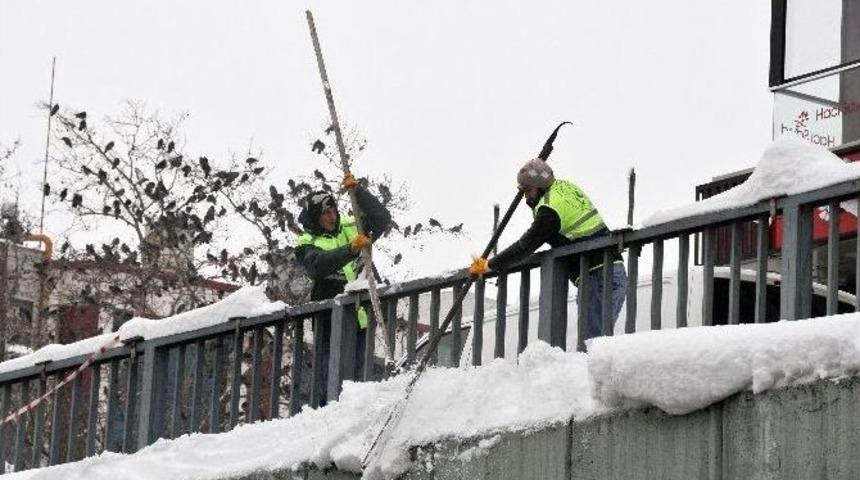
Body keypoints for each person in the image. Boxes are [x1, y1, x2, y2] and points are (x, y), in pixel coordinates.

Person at [470, 158, 627, 342]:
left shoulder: (549, 210)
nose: (526, 197)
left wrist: (489, 265)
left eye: (528, 191)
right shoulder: (565, 187)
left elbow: (524, 246)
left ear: (539, 186)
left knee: (593, 344)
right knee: (599, 343)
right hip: (613, 270)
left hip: (595, 275)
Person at [295, 174, 391, 405]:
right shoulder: (306, 242)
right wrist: (349, 250)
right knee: (330, 378)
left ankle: (353, 411)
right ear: (315, 218)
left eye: (333, 211)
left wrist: (358, 192)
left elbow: (381, 219)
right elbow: (317, 265)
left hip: (360, 316)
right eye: (325, 214)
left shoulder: (351, 224)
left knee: (357, 378)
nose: (332, 217)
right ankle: (326, 412)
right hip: (330, 321)